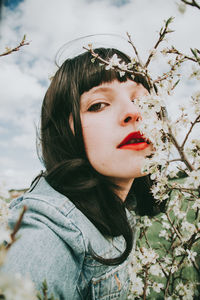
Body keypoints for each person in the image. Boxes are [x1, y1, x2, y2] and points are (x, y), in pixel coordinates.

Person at [1, 46, 166, 299]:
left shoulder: (115, 209)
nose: (133, 112)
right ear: (64, 131)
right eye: (99, 104)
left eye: (141, 100)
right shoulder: (43, 244)